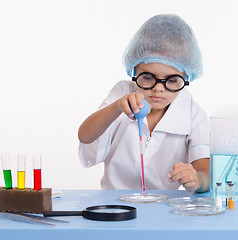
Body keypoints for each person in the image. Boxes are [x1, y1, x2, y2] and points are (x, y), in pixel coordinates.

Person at [78, 14, 210, 193]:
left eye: (172, 80)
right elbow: (85, 136)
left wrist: (197, 179)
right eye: (147, 77)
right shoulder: (123, 93)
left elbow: (206, 172)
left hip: (164, 207)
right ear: (134, 70)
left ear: (187, 78)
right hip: (115, 204)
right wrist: (117, 107)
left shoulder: (193, 115)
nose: (158, 89)